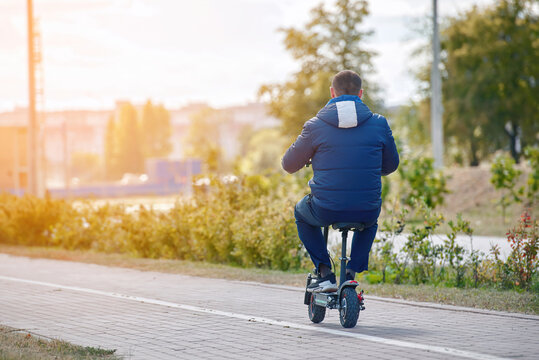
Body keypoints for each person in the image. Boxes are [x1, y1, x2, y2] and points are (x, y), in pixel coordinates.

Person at [282, 70, 399, 293]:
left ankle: (325, 272)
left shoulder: (315, 126)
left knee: (301, 213)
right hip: (366, 208)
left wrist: (309, 156)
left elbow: (288, 165)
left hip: (326, 208)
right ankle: (351, 273)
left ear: (332, 92)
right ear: (361, 94)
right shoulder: (379, 124)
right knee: (370, 219)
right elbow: (391, 166)